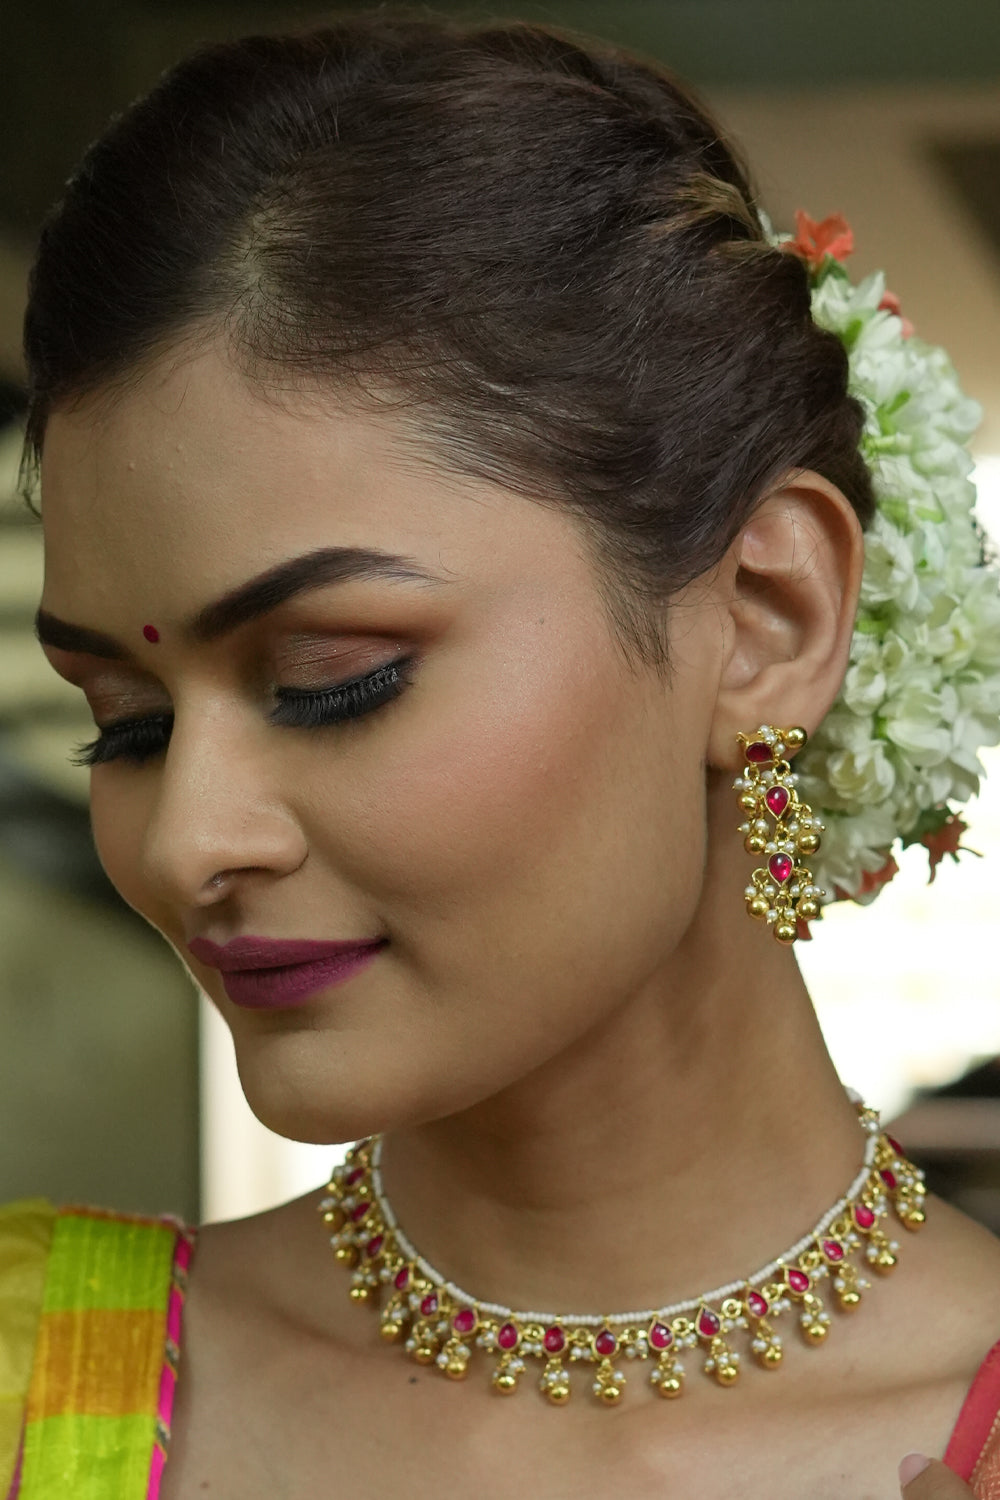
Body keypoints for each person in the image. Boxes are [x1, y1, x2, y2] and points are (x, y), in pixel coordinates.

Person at [2, 14, 999, 1499]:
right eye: (127, 725)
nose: (187, 840)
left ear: (771, 620)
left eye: (334, 681)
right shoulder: (36, 1388)